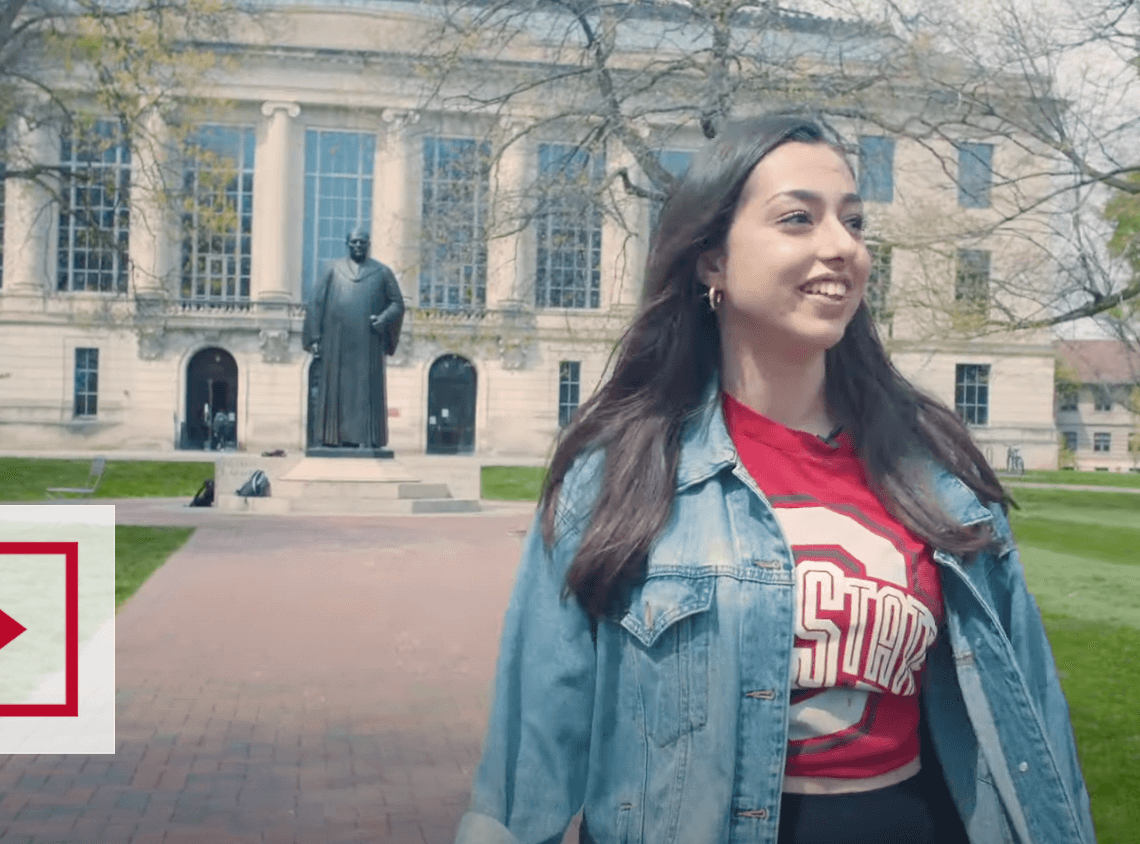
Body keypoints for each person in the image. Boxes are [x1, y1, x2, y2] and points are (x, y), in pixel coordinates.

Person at [455, 114, 1096, 844]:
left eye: (854, 222)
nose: (842, 247)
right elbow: (528, 758)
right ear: (711, 261)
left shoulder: (936, 472)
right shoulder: (617, 478)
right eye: (798, 219)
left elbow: (1033, 733)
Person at [302, 229, 404, 450]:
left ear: (369, 244)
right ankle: (331, 438)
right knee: (334, 390)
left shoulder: (382, 272)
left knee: (365, 391)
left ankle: (368, 438)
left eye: (363, 242)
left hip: (368, 342)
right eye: (354, 241)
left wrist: (383, 319)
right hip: (335, 341)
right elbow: (315, 302)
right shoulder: (331, 269)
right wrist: (315, 337)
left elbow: (397, 304)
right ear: (347, 243)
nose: (358, 245)